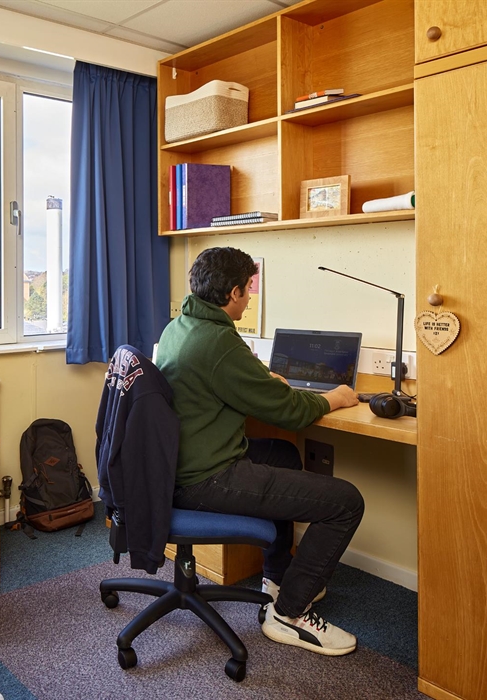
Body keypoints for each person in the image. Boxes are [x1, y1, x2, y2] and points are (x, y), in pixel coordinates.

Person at [155, 246, 364, 657]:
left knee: (284, 454)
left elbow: (222, 379)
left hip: (181, 464)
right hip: (205, 478)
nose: (250, 298)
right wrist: (337, 396)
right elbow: (290, 412)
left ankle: (278, 577)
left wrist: (259, 380)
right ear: (233, 293)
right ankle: (289, 614)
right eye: (248, 290)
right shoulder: (218, 342)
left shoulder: (181, 326)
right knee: (345, 502)